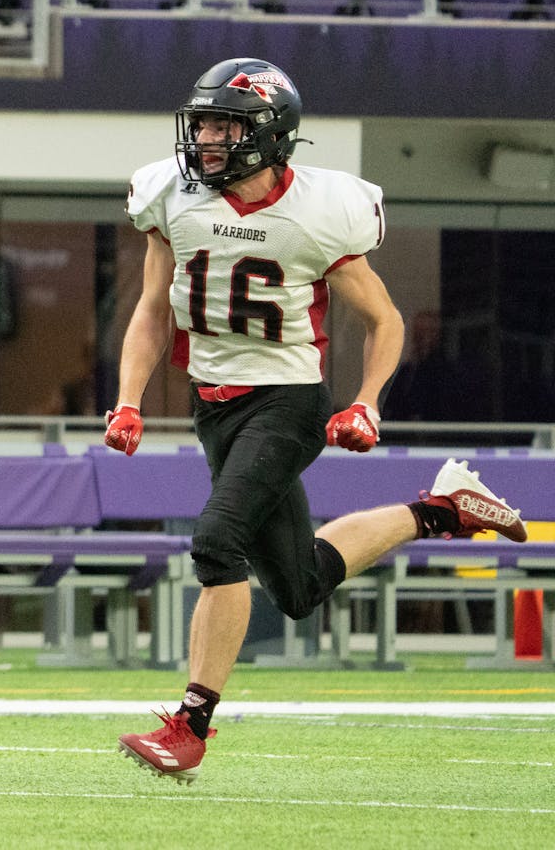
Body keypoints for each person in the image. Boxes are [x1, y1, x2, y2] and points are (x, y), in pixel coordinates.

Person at [106, 57, 528, 785]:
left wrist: (365, 400)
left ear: (269, 135)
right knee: (299, 587)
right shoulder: (171, 197)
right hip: (215, 408)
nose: (205, 138)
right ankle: (441, 508)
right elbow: (151, 310)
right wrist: (130, 398)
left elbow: (385, 319)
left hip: (287, 405)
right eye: (202, 122)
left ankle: (190, 726)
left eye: (223, 125)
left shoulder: (318, 210)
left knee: (215, 542)